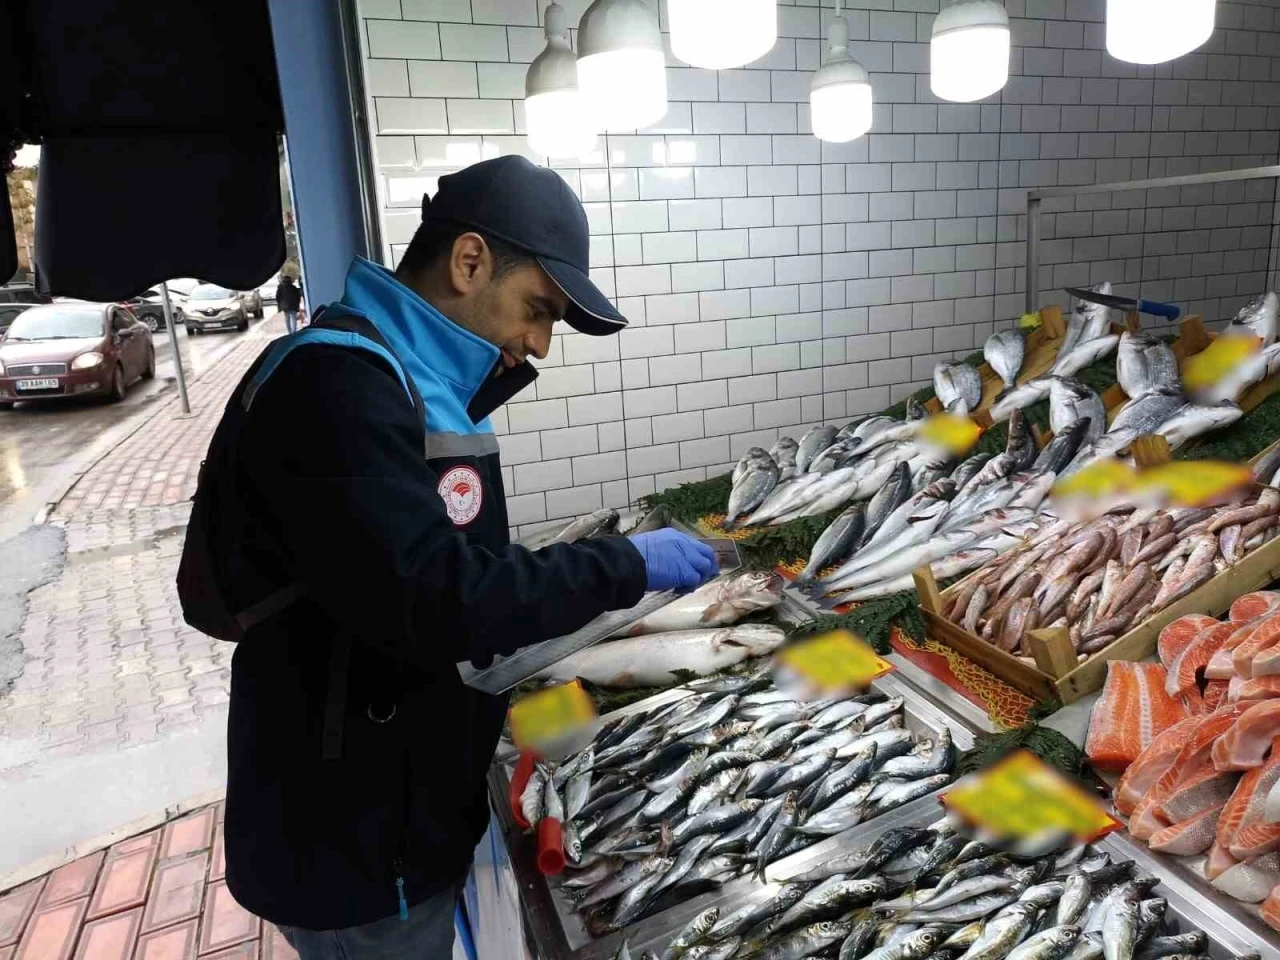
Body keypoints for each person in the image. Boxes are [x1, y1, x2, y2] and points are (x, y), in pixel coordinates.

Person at [181, 156, 719, 959]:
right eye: (538, 309)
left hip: (392, 817)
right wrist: (626, 565)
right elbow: (438, 598)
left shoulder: (397, 379)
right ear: (470, 262)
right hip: (353, 851)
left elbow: (425, 568)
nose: (538, 342)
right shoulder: (337, 385)